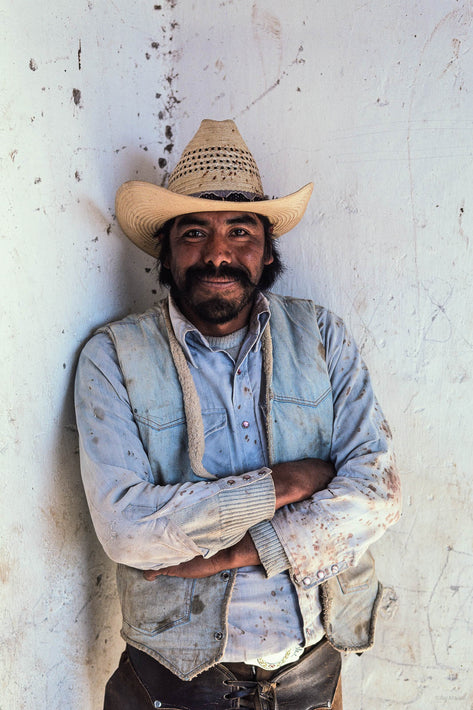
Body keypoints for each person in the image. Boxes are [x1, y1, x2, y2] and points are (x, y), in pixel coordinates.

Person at [75, 119, 401, 710]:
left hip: (310, 671)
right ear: (167, 254)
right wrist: (283, 484)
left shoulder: (320, 335)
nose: (218, 253)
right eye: (194, 232)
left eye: (240, 231)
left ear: (268, 248)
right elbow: (124, 527)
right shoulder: (114, 357)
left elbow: (377, 492)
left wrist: (245, 550)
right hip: (169, 680)